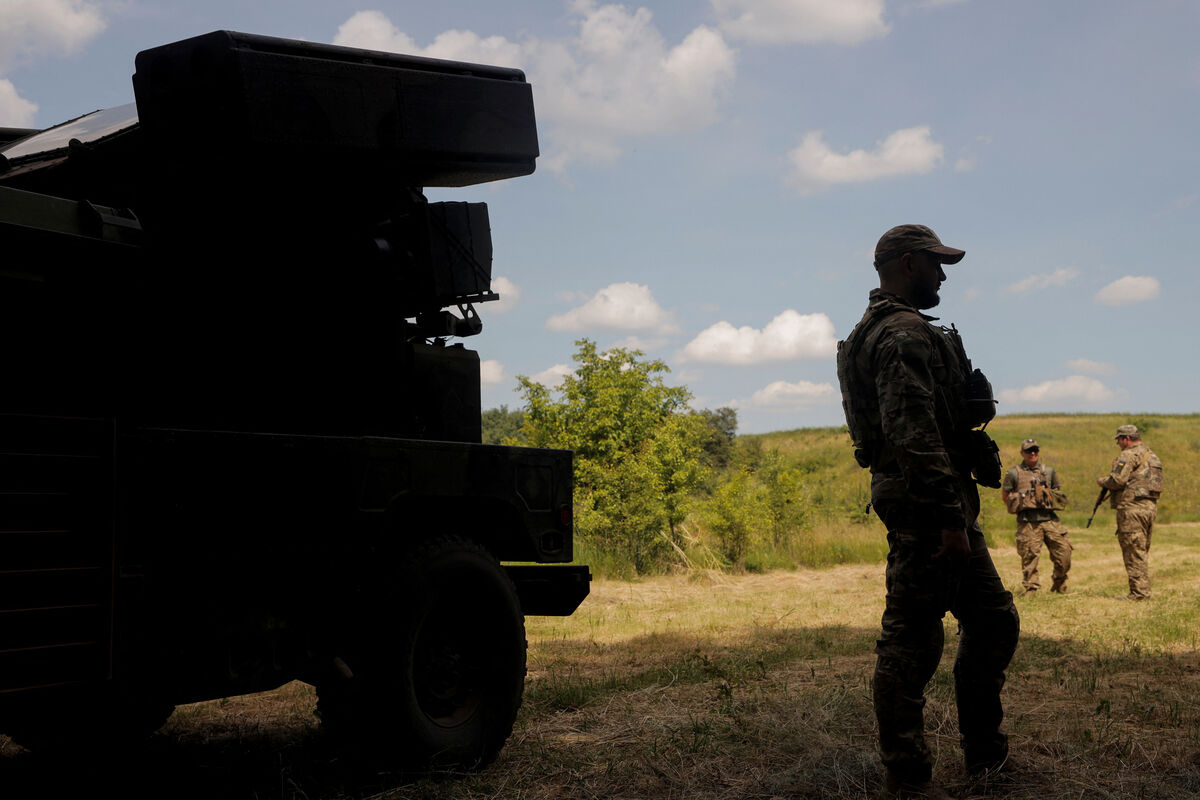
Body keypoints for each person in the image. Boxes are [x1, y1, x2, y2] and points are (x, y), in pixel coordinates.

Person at [837, 224, 1020, 799]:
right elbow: (912, 433)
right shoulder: (902, 335)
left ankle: (985, 754)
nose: (943, 276)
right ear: (909, 263)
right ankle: (908, 774)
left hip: (937, 505)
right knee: (912, 641)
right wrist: (948, 520)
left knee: (991, 620)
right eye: (937, 264)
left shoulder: (892, 330)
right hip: (928, 510)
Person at [1097, 424, 1162, 600]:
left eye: (1119, 439)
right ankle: (1142, 590)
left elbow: (1117, 480)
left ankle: (1139, 593)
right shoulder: (1152, 455)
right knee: (1141, 549)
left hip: (1131, 508)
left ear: (1126, 438)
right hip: (1149, 508)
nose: (1118, 443)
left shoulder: (1128, 454)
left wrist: (1102, 481)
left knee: (1133, 550)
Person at [1001, 439, 1071, 594]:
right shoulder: (1013, 473)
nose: (1032, 453)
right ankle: (1031, 588)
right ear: (1022, 453)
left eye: (1035, 450)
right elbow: (1005, 495)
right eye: (1028, 451)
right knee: (1029, 555)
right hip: (1027, 522)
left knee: (1064, 552)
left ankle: (1059, 583)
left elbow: (1058, 493)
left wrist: (1046, 495)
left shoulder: (1050, 471)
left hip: (1050, 519)